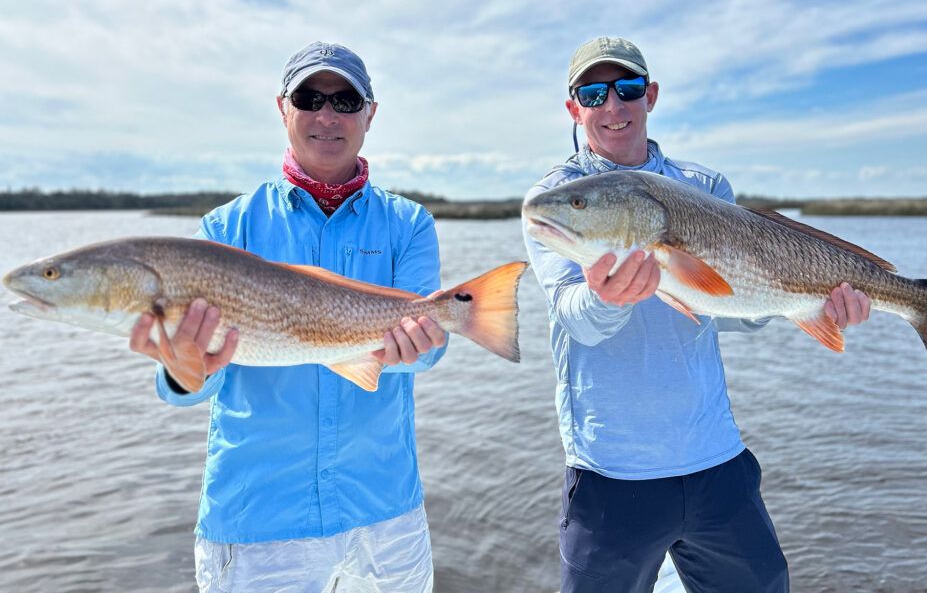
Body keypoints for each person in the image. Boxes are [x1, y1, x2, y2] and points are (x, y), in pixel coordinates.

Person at [522, 36, 872, 593]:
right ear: (574, 108)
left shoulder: (705, 187)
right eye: (593, 92)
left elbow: (732, 311)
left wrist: (815, 305)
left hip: (714, 457)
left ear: (651, 95)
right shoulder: (558, 200)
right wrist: (607, 298)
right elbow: (575, 318)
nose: (612, 106)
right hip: (612, 468)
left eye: (627, 87)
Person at [128, 41, 448, 593]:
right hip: (257, 518)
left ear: (371, 114)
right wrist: (184, 369)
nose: (327, 115)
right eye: (309, 97)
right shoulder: (226, 229)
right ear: (283, 108)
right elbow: (192, 383)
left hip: (385, 509)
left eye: (346, 101)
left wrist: (420, 346)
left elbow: (432, 348)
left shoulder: (409, 223)